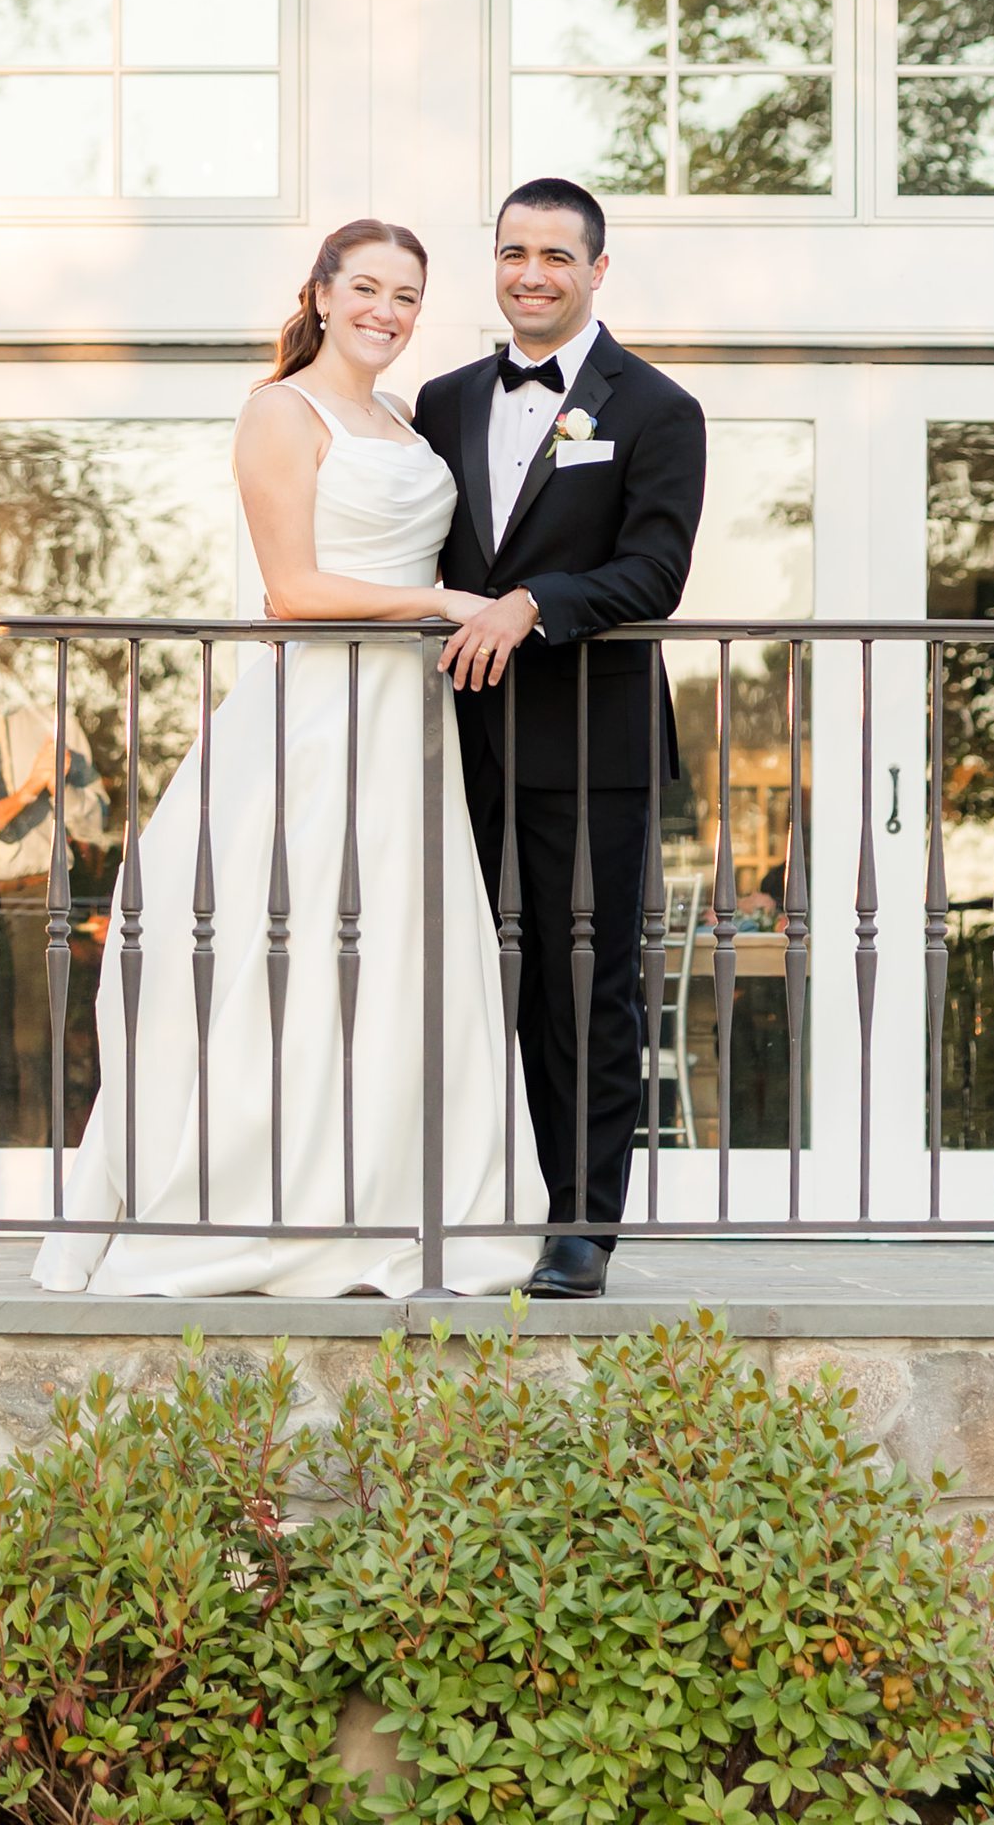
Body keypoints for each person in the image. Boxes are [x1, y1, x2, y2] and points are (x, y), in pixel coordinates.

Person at [33, 221, 542, 1298]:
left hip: (410, 719)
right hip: (314, 713)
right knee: (301, 941)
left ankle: (388, 1196)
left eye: (407, 295)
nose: (387, 312)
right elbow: (293, 591)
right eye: (366, 287)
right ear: (318, 291)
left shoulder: (405, 420)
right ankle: (272, 1199)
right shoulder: (280, 411)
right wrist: (444, 601)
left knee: (399, 953)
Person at [413, 179, 707, 1300]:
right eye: (511, 252)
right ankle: (446, 1204)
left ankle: (581, 1225)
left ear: (597, 269)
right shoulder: (439, 402)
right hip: (448, 733)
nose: (531, 272)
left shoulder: (658, 408)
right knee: (438, 968)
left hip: (591, 736)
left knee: (584, 983)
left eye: (554, 254)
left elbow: (657, 571)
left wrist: (533, 603)